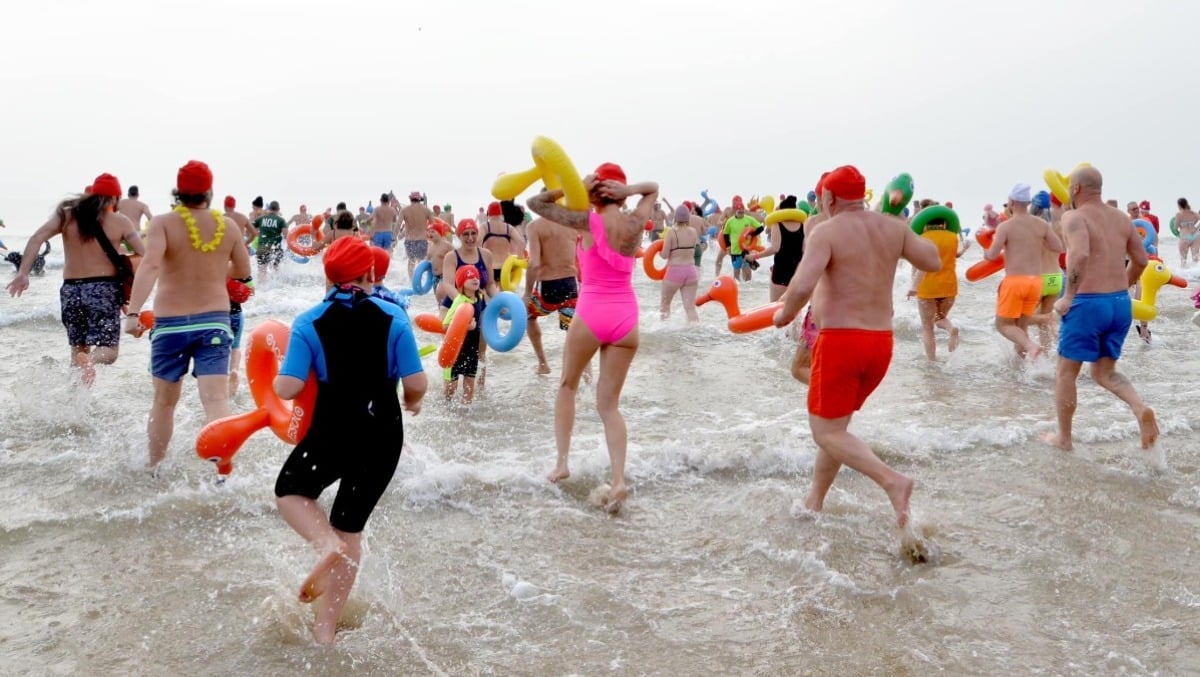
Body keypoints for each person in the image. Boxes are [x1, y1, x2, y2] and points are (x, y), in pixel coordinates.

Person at [273, 235, 426, 645]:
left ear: (329, 276)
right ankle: (326, 629)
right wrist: (412, 401)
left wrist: (274, 377)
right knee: (351, 527)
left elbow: (287, 388)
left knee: (291, 491)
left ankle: (325, 543)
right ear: (371, 274)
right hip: (381, 437)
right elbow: (416, 381)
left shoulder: (307, 322)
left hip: (332, 432)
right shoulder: (394, 317)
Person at [772, 165, 941, 529]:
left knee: (826, 432)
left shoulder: (827, 231)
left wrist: (783, 314)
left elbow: (801, 286)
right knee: (837, 427)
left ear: (829, 198)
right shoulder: (893, 228)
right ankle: (815, 501)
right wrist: (901, 229)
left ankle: (892, 482)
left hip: (841, 342)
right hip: (880, 344)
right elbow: (932, 260)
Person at [526, 163, 658, 513]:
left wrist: (576, 190)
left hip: (593, 312)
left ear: (596, 192)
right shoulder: (634, 223)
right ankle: (618, 481)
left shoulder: (585, 219)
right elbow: (653, 188)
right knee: (609, 405)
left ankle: (562, 463)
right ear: (619, 190)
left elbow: (535, 204)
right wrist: (629, 193)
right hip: (627, 317)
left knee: (568, 385)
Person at [123, 160, 251, 468]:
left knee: (164, 403)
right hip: (215, 323)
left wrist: (133, 314)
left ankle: (154, 469)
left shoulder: (163, 223)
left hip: (170, 325)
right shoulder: (229, 227)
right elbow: (244, 273)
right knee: (217, 401)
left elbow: (151, 265)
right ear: (209, 191)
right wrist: (215, 269)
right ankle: (224, 473)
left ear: (178, 193)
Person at [1043, 166, 1158, 452]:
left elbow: (1080, 254)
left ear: (1076, 189)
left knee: (1066, 373)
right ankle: (1139, 408)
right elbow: (1141, 259)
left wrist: (1068, 296)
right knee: (1105, 372)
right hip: (1119, 304)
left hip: (1087, 303)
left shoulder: (1074, 216)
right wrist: (1122, 288)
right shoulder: (1121, 218)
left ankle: (1064, 439)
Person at [6, 173, 145, 384]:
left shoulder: (66, 216)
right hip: (102, 290)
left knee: (77, 351)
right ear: (115, 198)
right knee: (109, 351)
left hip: (71, 291)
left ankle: (74, 406)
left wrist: (23, 273)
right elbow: (144, 254)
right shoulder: (120, 221)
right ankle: (90, 361)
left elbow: (36, 238)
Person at [984, 184, 1064, 361]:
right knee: (1022, 325)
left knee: (1003, 324)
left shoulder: (1006, 227)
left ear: (1011, 202)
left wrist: (985, 251)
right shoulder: (1041, 224)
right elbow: (1058, 246)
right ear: (1027, 202)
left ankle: (1030, 346)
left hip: (1015, 281)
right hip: (1036, 282)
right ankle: (1023, 367)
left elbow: (992, 255)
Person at [906, 210, 969, 360]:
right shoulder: (952, 237)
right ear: (945, 223)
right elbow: (954, 256)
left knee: (927, 327)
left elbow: (919, 264)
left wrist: (913, 285)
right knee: (940, 318)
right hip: (949, 286)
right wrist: (965, 249)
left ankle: (931, 361)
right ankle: (950, 328)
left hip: (928, 286)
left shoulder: (922, 238)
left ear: (925, 223)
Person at [523, 208, 580, 375]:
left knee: (528, 315)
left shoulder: (535, 226)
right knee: (572, 330)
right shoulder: (571, 225)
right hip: (571, 286)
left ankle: (543, 364)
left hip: (547, 288)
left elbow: (534, 264)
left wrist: (527, 292)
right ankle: (584, 373)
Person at [748, 195, 807, 302]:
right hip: (797, 271)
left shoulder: (777, 225)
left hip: (781, 270)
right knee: (794, 311)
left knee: (775, 307)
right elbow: (804, 250)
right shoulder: (803, 225)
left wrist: (756, 256)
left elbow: (775, 248)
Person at [443, 265, 487, 403]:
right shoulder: (459, 301)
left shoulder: (480, 297)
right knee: (451, 389)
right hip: (455, 351)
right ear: (461, 283)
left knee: (469, 386)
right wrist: (466, 327)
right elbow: (445, 326)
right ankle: (446, 409)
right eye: (470, 276)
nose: (475, 278)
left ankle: (466, 417)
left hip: (472, 350)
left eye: (476, 276)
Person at [659, 204, 700, 321]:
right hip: (691, 272)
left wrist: (658, 253)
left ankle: (663, 331)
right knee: (690, 308)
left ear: (675, 218)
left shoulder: (671, 233)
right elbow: (696, 248)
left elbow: (665, 255)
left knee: (665, 305)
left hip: (675, 271)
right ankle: (696, 333)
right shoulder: (693, 231)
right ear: (688, 218)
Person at [481, 201, 527, 285]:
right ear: (501, 214)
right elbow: (522, 242)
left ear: (489, 214)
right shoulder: (508, 228)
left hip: (489, 268)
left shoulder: (485, 227)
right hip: (505, 268)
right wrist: (518, 260)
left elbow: (477, 242)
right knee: (505, 295)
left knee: (490, 296)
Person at [722, 197, 763, 282]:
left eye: (742, 210)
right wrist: (728, 247)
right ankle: (738, 289)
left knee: (747, 272)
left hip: (746, 250)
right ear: (736, 211)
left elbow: (761, 228)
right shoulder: (730, 221)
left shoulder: (749, 219)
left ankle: (748, 290)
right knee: (736, 271)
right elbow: (725, 234)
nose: (741, 212)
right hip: (735, 250)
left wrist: (751, 235)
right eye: (739, 210)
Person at [400, 191, 436, 278]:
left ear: (410, 199)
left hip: (409, 240)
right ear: (420, 199)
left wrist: (394, 238)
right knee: (421, 261)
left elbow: (398, 225)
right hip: (422, 240)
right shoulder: (426, 210)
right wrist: (434, 240)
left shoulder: (404, 210)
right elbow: (434, 226)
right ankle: (421, 280)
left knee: (411, 261)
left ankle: (411, 281)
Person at [253, 201, 288, 281]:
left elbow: (250, 228)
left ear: (269, 208)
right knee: (276, 269)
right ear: (278, 209)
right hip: (275, 248)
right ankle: (275, 285)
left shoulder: (261, 219)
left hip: (262, 247)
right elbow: (286, 235)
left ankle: (262, 288)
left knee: (262, 270)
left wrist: (258, 233)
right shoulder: (281, 220)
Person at [1175, 197, 1199, 266]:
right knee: (1195, 258)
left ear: (1179, 205)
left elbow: (1176, 227)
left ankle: (1184, 275)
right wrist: (1196, 227)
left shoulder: (1178, 214)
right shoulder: (1193, 213)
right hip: (1195, 235)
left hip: (1185, 236)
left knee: (1183, 260)